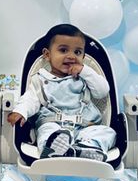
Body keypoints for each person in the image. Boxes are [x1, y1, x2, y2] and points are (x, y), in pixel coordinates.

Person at [7, 24, 116, 160]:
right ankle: (53, 148)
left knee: (107, 132)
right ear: (47, 55)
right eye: (63, 50)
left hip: (85, 128)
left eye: (77, 52)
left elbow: (102, 91)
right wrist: (21, 112)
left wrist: (85, 71)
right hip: (54, 126)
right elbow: (30, 99)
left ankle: (87, 148)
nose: (71, 56)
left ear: (83, 55)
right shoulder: (40, 80)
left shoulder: (85, 78)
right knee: (46, 132)